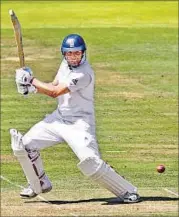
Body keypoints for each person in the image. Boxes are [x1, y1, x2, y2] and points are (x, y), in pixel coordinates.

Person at [10, 34, 141, 203]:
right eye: (69, 53)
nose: (73, 57)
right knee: (24, 146)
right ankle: (39, 183)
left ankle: (128, 191)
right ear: (64, 54)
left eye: (77, 53)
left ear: (83, 53)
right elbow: (54, 85)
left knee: (90, 163)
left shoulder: (84, 73)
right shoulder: (65, 64)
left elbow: (54, 92)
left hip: (79, 124)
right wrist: (32, 89)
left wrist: (31, 80)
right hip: (59, 118)